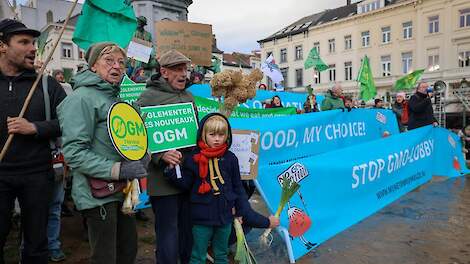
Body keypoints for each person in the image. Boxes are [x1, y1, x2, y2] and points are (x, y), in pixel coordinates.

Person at [57, 42, 148, 264]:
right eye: (109, 60)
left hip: (121, 192)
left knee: (127, 252)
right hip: (97, 194)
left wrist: (142, 153)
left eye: (121, 62)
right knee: (106, 257)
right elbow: (74, 153)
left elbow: (123, 142)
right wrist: (118, 169)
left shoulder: (115, 98)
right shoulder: (81, 99)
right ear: (93, 66)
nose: (116, 66)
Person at [165, 113, 279, 263]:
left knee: (221, 254)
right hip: (201, 218)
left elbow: (237, 188)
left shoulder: (231, 158)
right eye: (212, 134)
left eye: (221, 134)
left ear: (227, 135)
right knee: (197, 255)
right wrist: (173, 171)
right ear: (203, 134)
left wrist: (241, 212)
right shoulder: (194, 158)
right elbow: (186, 184)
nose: (217, 139)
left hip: (224, 218)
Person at [0, 19, 67, 264]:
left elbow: (70, 123)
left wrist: (35, 128)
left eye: (34, 43)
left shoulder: (47, 85)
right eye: (24, 42)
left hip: (38, 174)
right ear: (2, 46)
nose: (32, 48)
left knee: (37, 244)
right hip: (0, 174)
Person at [136, 49, 194, 264]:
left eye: (185, 69)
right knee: (168, 233)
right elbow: (137, 137)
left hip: (188, 176)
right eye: (178, 69)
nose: (183, 74)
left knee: (187, 230)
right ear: (164, 72)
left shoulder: (189, 96)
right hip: (162, 181)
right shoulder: (147, 98)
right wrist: (161, 155)